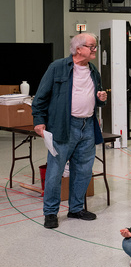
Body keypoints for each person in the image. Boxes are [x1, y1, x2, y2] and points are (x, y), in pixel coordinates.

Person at [32, 32, 107, 229]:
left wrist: (101, 98)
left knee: (83, 171)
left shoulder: (93, 71)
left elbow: (95, 98)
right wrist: (39, 120)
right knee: (55, 172)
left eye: (95, 46)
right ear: (78, 48)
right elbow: (41, 96)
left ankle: (75, 208)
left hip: (88, 126)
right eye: (92, 46)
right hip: (64, 127)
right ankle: (50, 212)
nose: (95, 50)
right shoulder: (57, 67)